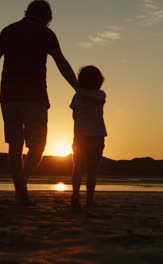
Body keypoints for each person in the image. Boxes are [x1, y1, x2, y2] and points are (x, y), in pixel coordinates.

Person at [0, 0, 78, 206]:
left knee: (15, 145)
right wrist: (78, 88)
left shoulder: (8, 31)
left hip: (9, 97)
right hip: (35, 98)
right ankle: (22, 182)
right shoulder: (46, 34)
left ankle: (20, 194)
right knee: (38, 145)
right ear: (47, 17)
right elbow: (61, 62)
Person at [70, 66, 107, 208]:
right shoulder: (83, 95)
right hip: (88, 137)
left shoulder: (99, 95)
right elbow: (75, 114)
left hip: (92, 137)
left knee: (89, 170)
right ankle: (77, 196)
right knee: (81, 169)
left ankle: (86, 198)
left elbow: (74, 114)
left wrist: (80, 91)